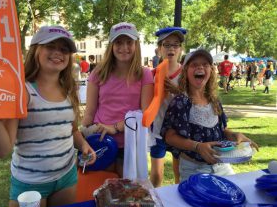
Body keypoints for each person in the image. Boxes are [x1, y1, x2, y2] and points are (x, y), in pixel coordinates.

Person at [0, 25, 96, 207]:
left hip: (66, 177)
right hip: (30, 182)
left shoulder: (69, 89)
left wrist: (83, 145)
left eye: (63, 49)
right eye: (50, 46)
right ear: (36, 50)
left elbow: (71, 129)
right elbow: (2, 150)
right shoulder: (22, 91)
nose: (57, 53)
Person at [160, 49, 258, 182]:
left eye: (205, 64)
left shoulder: (214, 100)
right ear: (186, 71)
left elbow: (223, 129)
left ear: (211, 71)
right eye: (194, 64)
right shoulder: (181, 101)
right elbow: (169, 137)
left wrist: (235, 136)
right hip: (194, 169)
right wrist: (197, 147)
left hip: (222, 165)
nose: (200, 67)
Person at [81, 22, 154, 177]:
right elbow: (90, 110)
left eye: (129, 42)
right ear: (111, 46)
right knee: (97, 190)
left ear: (136, 45)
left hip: (129, 145)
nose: (124, 47)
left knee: (126, 194)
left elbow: (145, 113)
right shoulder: (98, 73)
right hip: (99, 141)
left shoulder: (145, 74)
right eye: (119, 42)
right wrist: (84, 136)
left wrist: (114, 127)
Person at [148, 26, 186, 187]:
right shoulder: (151, 75)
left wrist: (178, 91)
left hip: (180, 131)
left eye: (175, 44)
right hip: (157, 131)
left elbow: (195, 100)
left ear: (181, 49)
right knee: (156, 175)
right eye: (166, 44)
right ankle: (155, 205)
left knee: (179, 174)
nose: (171, 48)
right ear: (159, 49)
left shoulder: (186, 74)